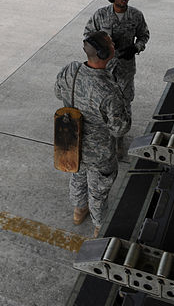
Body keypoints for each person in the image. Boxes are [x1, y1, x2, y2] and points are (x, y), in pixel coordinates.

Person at [54, 31, 131, 237]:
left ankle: (79, 211)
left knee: (77, 176)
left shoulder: (71, 70)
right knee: (98, 192)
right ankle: (99, 227)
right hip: (99, 153)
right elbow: (120, 128)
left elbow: (57, 91)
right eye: (110, 43)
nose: (113, 44)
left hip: (70, 142)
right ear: (105, 52)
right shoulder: (108, 90)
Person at [83, 0, 150, 156]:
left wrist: (136, 48)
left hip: (125, 67)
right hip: (104, 68)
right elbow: (88, 35)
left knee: (125, 101)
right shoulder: (101, 15)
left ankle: (120, 137)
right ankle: (105, 133)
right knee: (103, 100)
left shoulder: (136, 15)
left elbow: (144, 35)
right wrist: (101, 47)